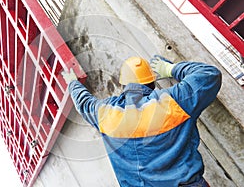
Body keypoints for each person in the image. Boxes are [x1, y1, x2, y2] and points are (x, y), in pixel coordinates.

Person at [61, 55, 222, 187]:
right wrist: (170, 69)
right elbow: (209, 75)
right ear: (152, 83)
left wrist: (73, 83)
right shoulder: (173, 102)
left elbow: (83, 103)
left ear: (124, 85)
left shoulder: (107, 114)